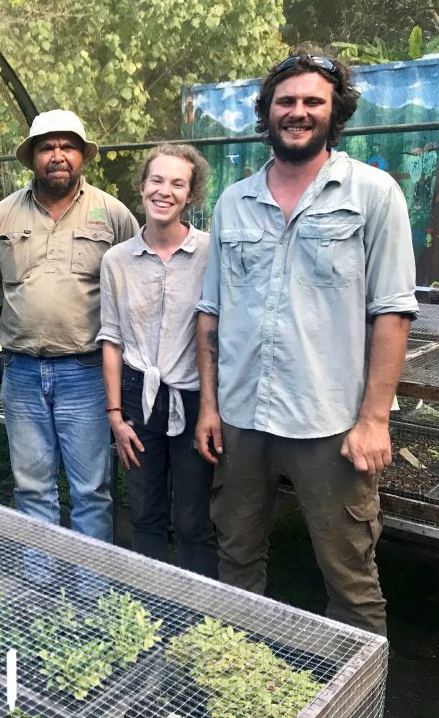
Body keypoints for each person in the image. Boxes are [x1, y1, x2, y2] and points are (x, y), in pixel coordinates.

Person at [195, 50, 417, 636]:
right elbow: (211, 313)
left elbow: (392, 312)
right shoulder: (233, 201)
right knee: (236, 558)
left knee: (349, 576)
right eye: (285, 101)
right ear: (266, 112)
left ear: (333, 111)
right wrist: (211, 407)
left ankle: (360, 698)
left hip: (332, 424)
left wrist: (374, 421)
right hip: (243, 418)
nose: (297, 112)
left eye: (312, 101)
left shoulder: (373, 193)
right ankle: (235, 680)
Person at [0, 109, 138, 582]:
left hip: (87, 373)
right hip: (22, 372)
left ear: (81, 155)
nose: (57, 156)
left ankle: (92, 597)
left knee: (92, 489)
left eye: (67, 146)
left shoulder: (112, 214)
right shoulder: (3, 215)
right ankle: (39, 590)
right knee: (31, 486)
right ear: (33, 157)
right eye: (47, 147)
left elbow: (133, 280)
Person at [98, 144, 217, 578]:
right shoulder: (117, 260)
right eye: (157, 180)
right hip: (136, 396)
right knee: (145, 512)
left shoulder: (209, 252)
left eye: (177, 183)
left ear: (191, 195)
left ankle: (198, 619)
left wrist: (212, 406)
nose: (164, 191)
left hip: (193, 396)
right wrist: (116, 414)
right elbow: (111, 339)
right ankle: (148, 614)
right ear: (142, 186)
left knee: (193, 518)